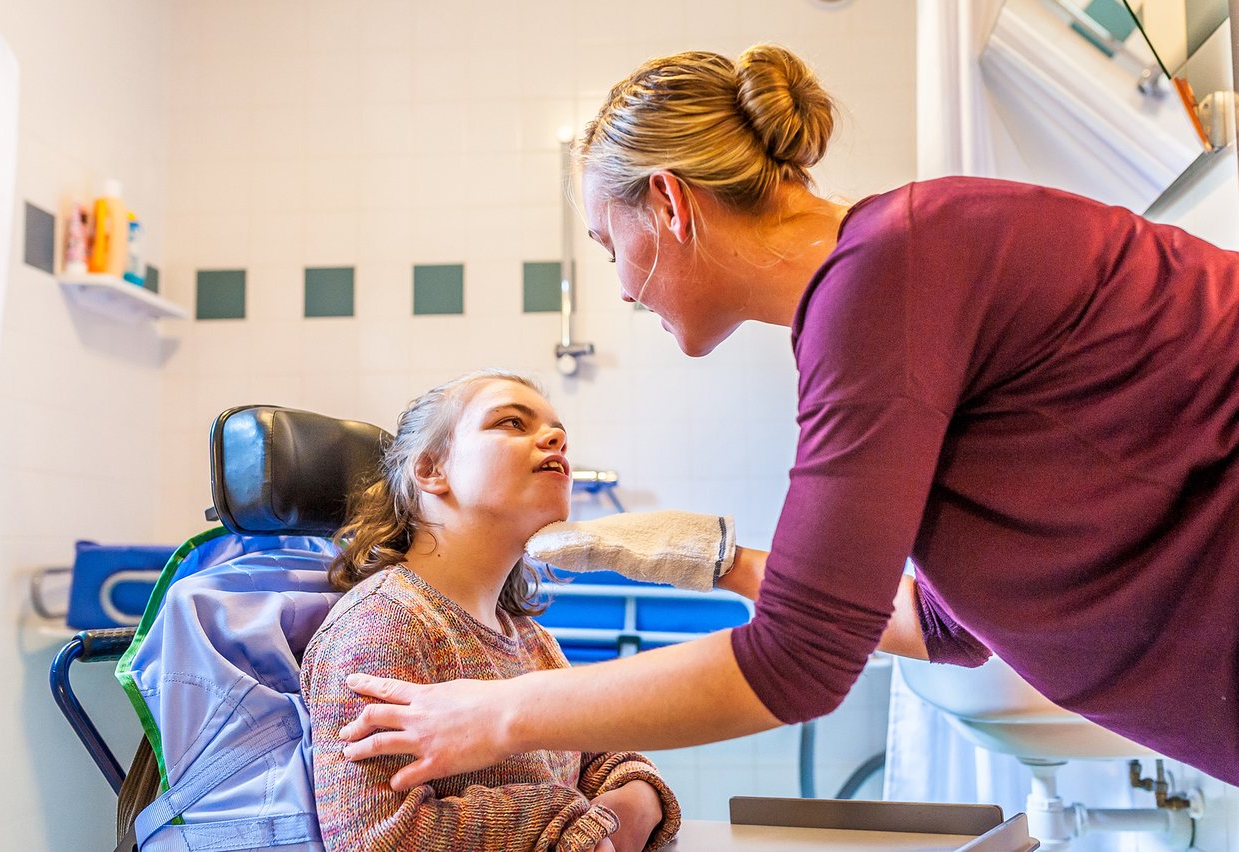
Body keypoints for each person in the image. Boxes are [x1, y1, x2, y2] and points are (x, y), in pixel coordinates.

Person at [335, 45, 1239, 787]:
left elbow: (801, 661)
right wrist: (721, 562)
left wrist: (491, 716)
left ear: (670, 202)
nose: (618, 286)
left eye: (611, 245)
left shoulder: (888, 276)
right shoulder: (886, 275)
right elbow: (951, 624)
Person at [299, 369, 681, 851]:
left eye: (557, 430)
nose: (557, 438)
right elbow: (381, 840)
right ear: (431, 470)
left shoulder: (526, 637)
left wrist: (637, 798)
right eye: (511, 422)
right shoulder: (383, 625)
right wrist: (568, 823)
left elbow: (602, 757)